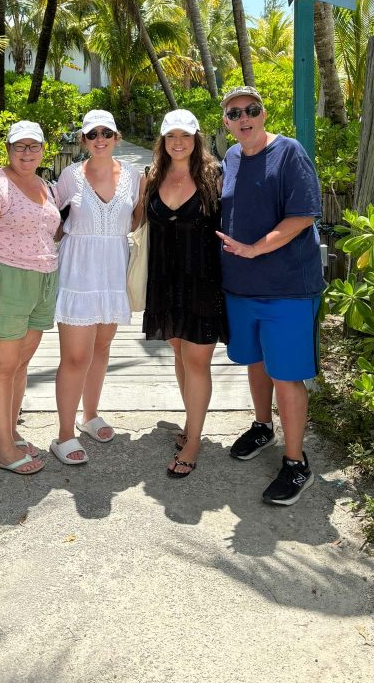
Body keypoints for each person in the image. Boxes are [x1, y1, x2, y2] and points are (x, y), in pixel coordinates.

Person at [216, 86, 324, 506]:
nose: (243, 118)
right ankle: (263, 426)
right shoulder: (230, 157)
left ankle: (297, 463)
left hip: (288, 288)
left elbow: (303, 215)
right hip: (241, 286)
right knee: (256, 360)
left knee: (287, 374)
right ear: (226, 122)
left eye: (251, 110)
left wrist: (255, 249)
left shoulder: (289, 152)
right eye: (234, 113)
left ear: (263, 113)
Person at [0, 120, 61, 476]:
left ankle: (11, 434)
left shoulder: (45, 186)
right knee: (2, 368)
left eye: (34, 146)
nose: (27, 152)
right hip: (5, 281)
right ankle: (3, 450)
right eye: (20, 146)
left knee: (19, 364)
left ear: (43, 150)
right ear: (8, 149)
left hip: (41, 283)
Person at [49, 110, 144, 465]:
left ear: (117, 137)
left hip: (112, 271)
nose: (99, 139)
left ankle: (89, 416)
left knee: (101, 347)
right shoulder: (70, 176)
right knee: (75, 357)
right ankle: (64, 434)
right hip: (78, 272)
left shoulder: (134, 176)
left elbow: (136, 220)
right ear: (83, 140)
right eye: (92, 134)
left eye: (106, 133)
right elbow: (52, 220)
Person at [143, 109, 228, 479]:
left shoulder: (215, 175)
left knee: (196, 361)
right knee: (179, 352)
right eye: (171, 136)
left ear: (197, 138)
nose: (178, 142)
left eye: (185, 135)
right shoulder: (152, 176)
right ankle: (191, 423)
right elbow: (135, 220)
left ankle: (193, 443)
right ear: (163, 141)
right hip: (164, 280)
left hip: (202, 280)